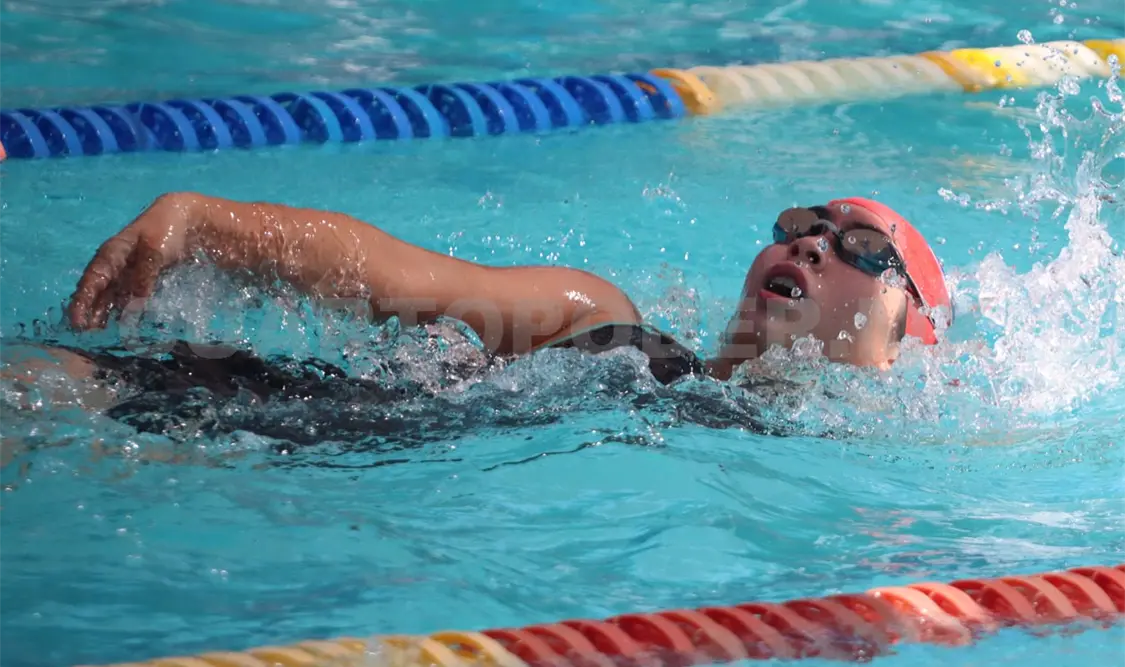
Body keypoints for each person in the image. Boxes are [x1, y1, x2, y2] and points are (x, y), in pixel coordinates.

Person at [3, 192, 953, 446]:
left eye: (865, 248)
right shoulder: (610, 324)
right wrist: (202, 223)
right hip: (293, 414)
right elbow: (400, 279)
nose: (816, 244)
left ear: (909, 332)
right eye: (800, 226)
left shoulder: (879, 480)